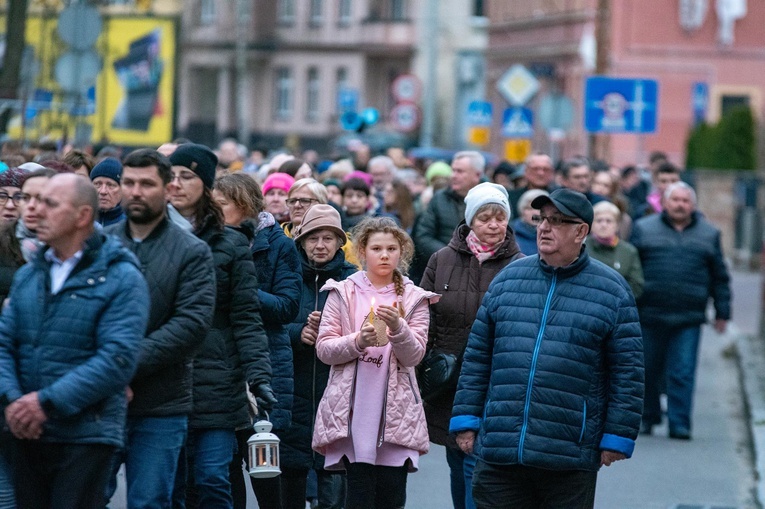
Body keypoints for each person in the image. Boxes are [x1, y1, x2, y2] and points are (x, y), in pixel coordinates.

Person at [450, 188, 644, 509]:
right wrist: (467, 419)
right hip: (501, 446)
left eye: (557, 221)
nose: (544, 227)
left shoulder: (611, 290)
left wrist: (617, 435)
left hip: (569, 453)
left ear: (581, 231)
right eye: (542, 219)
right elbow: (478, 357)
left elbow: (628, 371)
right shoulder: (508, 279)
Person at [0, 173, 150, 508]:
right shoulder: (29, 274)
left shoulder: (120, 276)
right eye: (34, 201)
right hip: (26, 430)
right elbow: (4, 345)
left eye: (50, 204)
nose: (36, 210)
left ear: (82, 216)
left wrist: (45, 403)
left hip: (85, 433)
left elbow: (117, 358)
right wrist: (14, 401)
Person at [105, 149, 217, 508]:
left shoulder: (191, 251)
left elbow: (190, 325)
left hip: (161, 403)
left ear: (167, 188)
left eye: (147, 183)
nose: (136, 191)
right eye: (129, 183)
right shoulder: (101, 245)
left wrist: (122, 364)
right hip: (99, 398)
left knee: (150, 500)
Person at [167, 144, 273, 507]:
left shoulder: (231, 243)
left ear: (207, 185)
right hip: (162, 379)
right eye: (171, 175)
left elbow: (246, 317)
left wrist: (259, 377)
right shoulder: (146, 237)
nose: (176, 184)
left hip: (218, 379)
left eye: (188, 176)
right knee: (172, 487)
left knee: (213, 477)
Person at [312, 217, 438, 509]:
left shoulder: (415, 298)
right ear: (362, 251)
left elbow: (414, 355)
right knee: (358, 494)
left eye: (392, 248)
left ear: (401, 253)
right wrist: (358, 342)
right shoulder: (343, 292)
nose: (384, 255)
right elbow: (325, 349)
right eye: (376, 248)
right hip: (354, 411)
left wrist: (398, 329)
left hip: (395, 411)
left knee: (392, 496)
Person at [419, 183, 523, 509]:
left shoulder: (521, 264)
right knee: (456, 458)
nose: (494, 225)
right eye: (485, 218)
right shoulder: (442, 259)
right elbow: (425, 314)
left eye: (500, 217)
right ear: (470, 221)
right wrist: (424, 362)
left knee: (476, 461)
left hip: (495, 375)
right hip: (449, 376)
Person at [212, 173, 299, 509]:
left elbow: (288, 306)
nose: (215, 211)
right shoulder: (208, 241)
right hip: (220, 364)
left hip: (265, 363)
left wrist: (243, 288)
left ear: (245, 206)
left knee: (265, 465)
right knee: (225, 464)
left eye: (223, 205)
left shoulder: (279, 244)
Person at [631, 182, 731, 440]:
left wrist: (723, 312)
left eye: (685, 201)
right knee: (647, 370)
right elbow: (632, 270)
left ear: (693, 206)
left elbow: (719, 277)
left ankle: (680, 423)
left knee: (682, 372)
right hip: (649, 314)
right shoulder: (643, 230)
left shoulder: (709, 234)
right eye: (675, 200)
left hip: (689, 317)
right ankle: (648, 416)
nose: (680, 205)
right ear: (664, 203)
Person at [281, 204, 357, 509]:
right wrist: (298, 333)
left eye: (328, 238)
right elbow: (265, 323)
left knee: (334, 482)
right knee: (290, 479)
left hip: (336, 394)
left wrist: (331, 336)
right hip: (291, 391)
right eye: (313, 238)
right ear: (301, 240)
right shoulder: (286, 275)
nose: (321, 245)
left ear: (340, 243)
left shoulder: (352, 281)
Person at [413, 151, 485, 282]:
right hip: (445, 272)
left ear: (477, 175)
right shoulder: (439, 199)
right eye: (453, 170)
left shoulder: (492, 200)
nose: (453, 176)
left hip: (482, 272)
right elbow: (423, 235)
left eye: (460, 171)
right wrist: (451, 255)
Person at [283, 178, 360, 268]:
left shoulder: (344, 244)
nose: (297, 205)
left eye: (305, 201)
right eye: (292, 201)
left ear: (322, 203)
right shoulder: (277, 236)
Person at [586, 201, 644, 299]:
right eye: (599, 220)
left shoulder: (628, 251)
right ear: (592, 224)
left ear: (617, 225)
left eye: (609, 221)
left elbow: (636, 285)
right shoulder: (581, 247)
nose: (603, 225)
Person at [16, 169, 57, 262]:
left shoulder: (74, 248)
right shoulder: (4, 243)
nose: (31, 205)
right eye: (25, 198)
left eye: (40, 198)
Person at [89, 157, 126, 226]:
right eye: (98, 184)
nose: (103, 191)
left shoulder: (130, 226)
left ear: (122, 189)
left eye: (110, 185)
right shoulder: (80, 222)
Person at [511, 189, 548, 256]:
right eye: (529, 208)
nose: (535, 212)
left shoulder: (554, 234)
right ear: (522, 211)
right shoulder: (511, 234)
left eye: (539, 208)